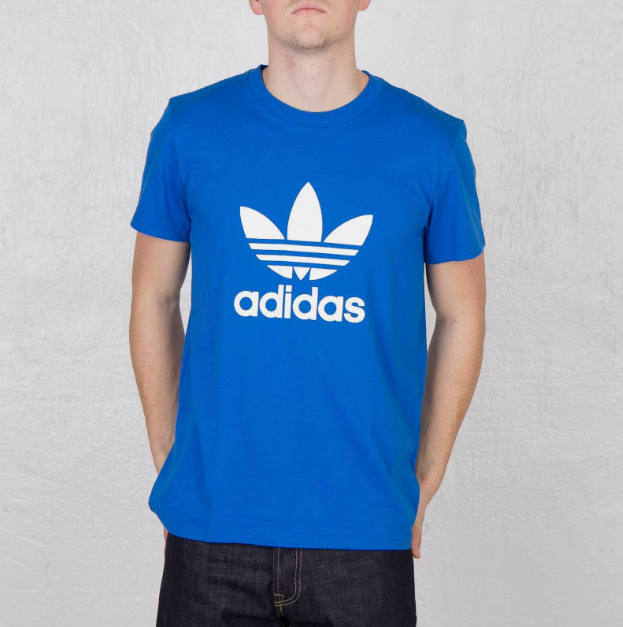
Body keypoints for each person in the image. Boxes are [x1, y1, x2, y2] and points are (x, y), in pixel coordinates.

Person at [129, 1, 486, 625]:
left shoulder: (432, 142)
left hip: (366, 532)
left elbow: (462, 315)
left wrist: (424, 478)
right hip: (211, 531)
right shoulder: (189, 130)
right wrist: (174, 466)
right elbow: (152, 299)